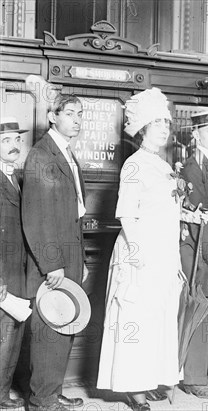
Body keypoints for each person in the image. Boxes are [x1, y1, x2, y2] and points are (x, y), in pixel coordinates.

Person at [97, 88, 205, 411]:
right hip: (139, 254)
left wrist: (190, 215)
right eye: (156, 123)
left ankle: (152, 378)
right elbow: (127, 215)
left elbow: (164, 208)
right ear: (143, 128)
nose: (163, 128)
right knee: (137, 321)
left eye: (166, 123)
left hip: (164, 253)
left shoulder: (162, 164)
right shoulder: (134, 165)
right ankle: (134, 389)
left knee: (159, 321)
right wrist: (138, 256)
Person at [21, 94, 88, 411]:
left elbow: (72, 213)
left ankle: (53, 390)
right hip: (52, 260)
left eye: (80, 114)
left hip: (69, 255)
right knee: (49, 328)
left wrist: (81, 260)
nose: (76, 119)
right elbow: (36, 216)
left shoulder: (66, 154)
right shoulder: (41, 155)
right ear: (52, 116)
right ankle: (41, 399)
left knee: (66, 324)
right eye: (70, 113)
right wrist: (52, 264)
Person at [179, 108, 208, 399]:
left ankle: (206, 372)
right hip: (196, 251)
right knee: (197, 309)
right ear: (195, 135)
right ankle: (193, 378)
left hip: (207, 248)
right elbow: (202, 220)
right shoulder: (193, 168)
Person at [0, 117, 28, 409]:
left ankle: (4, 390)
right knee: (4, 335)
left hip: (16, 269)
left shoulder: (16, 177)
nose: (13, 146)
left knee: (12, 334)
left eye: (16, 140)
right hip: (2, 272)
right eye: (5, 141)